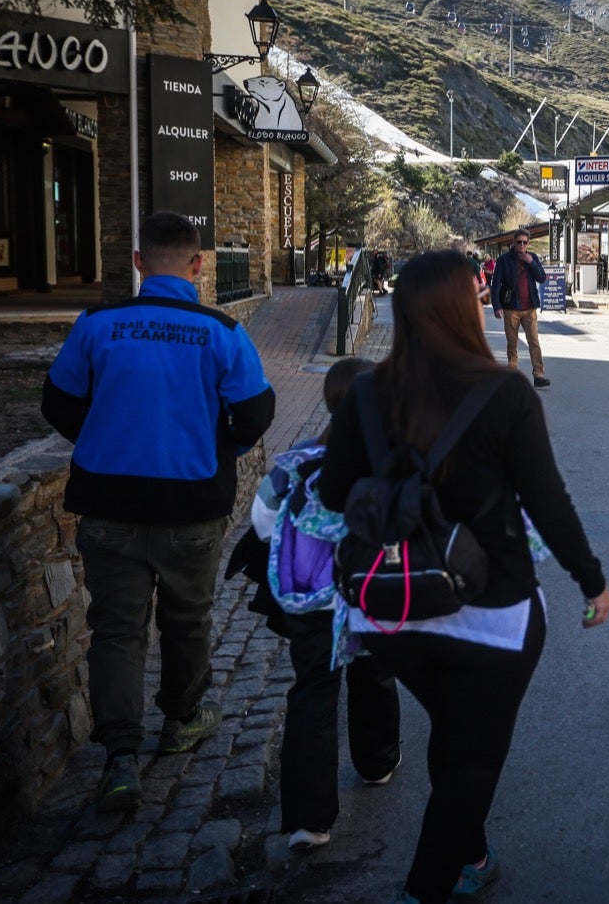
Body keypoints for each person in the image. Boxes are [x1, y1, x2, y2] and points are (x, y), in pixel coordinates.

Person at [316, 250, 609, 904]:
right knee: (472, 759)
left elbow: (335, 495)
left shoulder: (366, 393)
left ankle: (470, 852)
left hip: (389, 611)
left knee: (456, 734)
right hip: (491, 612)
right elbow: (548, 501)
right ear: (464, 306)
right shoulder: (504, 390)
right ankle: (425, 888)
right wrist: (591, 582)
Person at [41, 211, 276, 812]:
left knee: (116, 631)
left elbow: (59, 402)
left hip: (108, 505)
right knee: (188, 621)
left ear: (139, 263)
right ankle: (181, 719)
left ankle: (120, 756)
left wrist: (103, 440)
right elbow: (254, 412)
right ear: (198, 266)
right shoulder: (220, 330)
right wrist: (220, 451)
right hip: (191, 507)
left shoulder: (98, 323)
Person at [242, 357, 402, 853]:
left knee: (313, 689)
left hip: (309, 600)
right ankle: (376, 762)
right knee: (375, 673)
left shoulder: (301, 459)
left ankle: (308, 820)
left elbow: (262, 520)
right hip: (367, 595)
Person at [489, 227, 550, 388]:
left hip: (530, 307)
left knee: (534, 341)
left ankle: (539, 374)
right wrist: (496, 306)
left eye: (524, 242)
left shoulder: (533, 258)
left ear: (528, 243)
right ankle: (512, 373)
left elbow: (542, 278)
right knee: (512, 342)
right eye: (519, 242)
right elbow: (496, 284)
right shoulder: (504, 260)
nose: (522, 245)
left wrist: (530, 262)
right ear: (514, 243)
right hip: (511, 308)